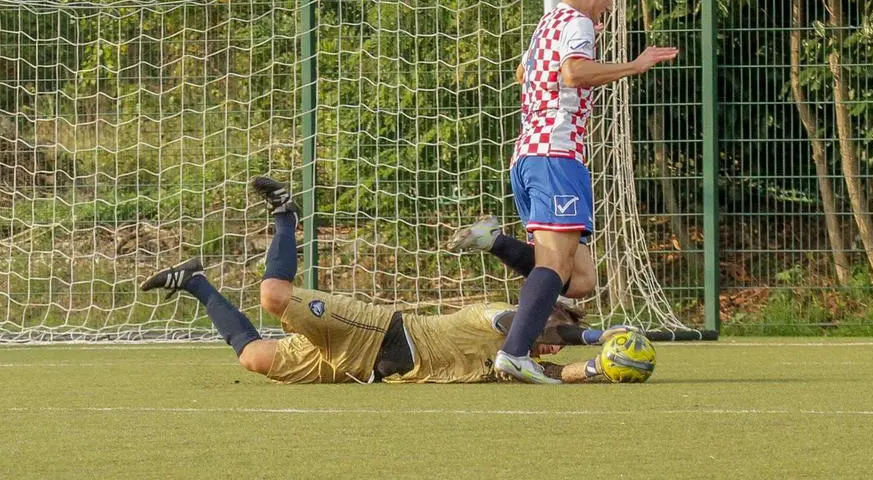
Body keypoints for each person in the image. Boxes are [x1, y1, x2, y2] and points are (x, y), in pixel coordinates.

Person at [140, 177, 629, 385]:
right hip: (374, 331)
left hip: (359, 370)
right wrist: (592, 335)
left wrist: (604, 368)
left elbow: (559, 372)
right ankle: (287, 216)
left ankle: (197, 282)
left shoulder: (513, 362)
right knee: (273, 295)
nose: (550, 344)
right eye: (554, 322)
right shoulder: (499, 322)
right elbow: (541, 327)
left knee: (253, 358)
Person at [447, 0, 678, 383]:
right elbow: (573, 73)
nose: (609, 5)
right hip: (556, 154)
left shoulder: (548, 22)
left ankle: (492, 240)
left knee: (581, 279)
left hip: (531, 153)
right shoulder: (578, 23)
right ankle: (515, 353)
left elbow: (523, 73)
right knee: (553, 267)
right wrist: (635, 64)